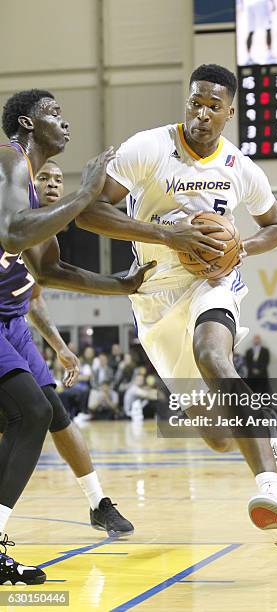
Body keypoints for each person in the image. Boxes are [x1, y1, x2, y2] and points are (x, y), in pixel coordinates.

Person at [75, 64, 277, 547]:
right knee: (217, 437)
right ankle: (266, 435)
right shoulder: (149, 147)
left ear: (229, 112)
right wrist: (167, 234)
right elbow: (90, 212)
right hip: (154, 295)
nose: (202, 113)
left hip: (213, 282)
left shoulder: (242, 168)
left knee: (213, 353)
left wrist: (244, 247)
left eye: (213, 106)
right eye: (195, 102)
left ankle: (272, 488)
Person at [0, 89, 152, 584]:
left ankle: (95, 503)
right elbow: (12, 235)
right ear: (26, 122)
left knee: (43, 411)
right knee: (34, 412)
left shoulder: (28, 187)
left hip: (9, 321)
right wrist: (86, 193)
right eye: (53, 114)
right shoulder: (7, 160)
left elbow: (49, 267)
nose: (64, 122)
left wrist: (120, 286)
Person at [244, 0, 276, 65]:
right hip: (261, 3)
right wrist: (273, 3)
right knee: (268, 28)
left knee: (250, 31)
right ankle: (269, 54)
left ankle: (248, 57)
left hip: (248, 3)